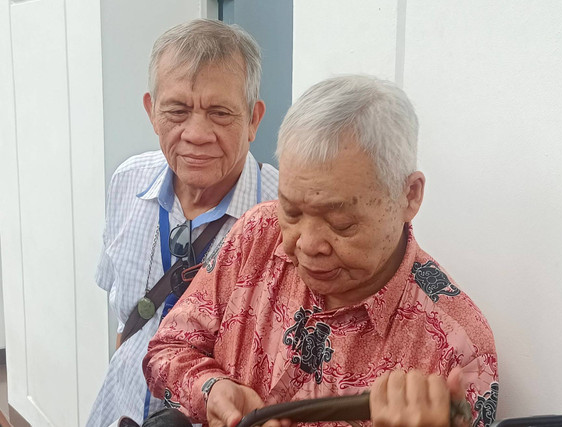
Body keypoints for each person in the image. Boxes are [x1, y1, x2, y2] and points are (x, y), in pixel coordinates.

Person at [143, 75, 499, 427]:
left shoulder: (458, 350)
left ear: (409, 196)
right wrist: (212, 389)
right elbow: (166, 351)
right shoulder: (256, 234)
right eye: (292, 212)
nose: (307, 244)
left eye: (341, 223)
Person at [87, 19, 279, 427]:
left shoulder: (284, 214)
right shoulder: (127, 180)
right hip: (117, 409)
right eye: (176, 110)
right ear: (151, 112)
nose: (195, 134)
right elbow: (125, 317)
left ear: (253, 120)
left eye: (220, 112)